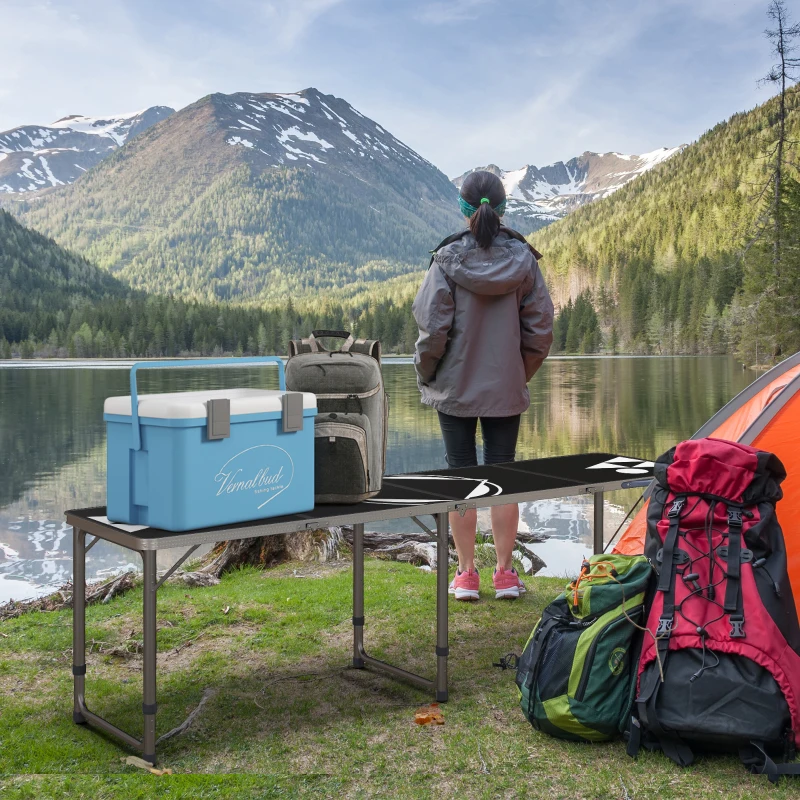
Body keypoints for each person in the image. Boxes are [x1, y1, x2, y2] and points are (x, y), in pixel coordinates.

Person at [412, 170, 554, 601]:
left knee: (461, 476)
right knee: (503, 474)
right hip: (505, 389)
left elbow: (432, 330)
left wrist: (427, 372)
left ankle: (466, 575)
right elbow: (540, 331)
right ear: (502, 207)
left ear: (463, 208)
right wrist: (516, 374)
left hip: (454, 389)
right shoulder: (524, 260)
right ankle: (506, 575)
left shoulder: (447, 259)